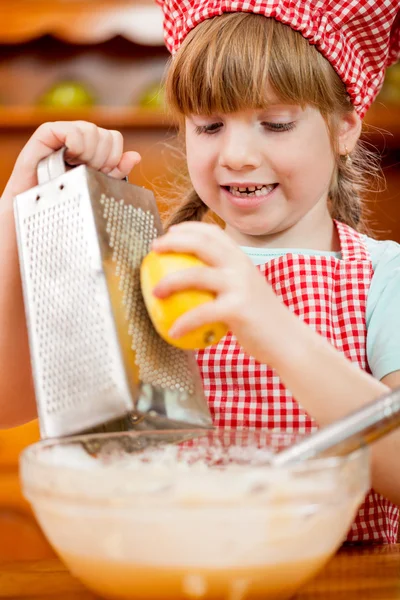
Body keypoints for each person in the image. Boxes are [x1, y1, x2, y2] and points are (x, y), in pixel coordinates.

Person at [0, 0, 399, 544]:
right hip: (175, 568)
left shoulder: (383, 278)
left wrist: (269, 326)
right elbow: (10, 402)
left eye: (275, 123)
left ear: (345, 128)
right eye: (210, 125)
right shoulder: (152, 267)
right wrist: (18, 208)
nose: (235, 154)